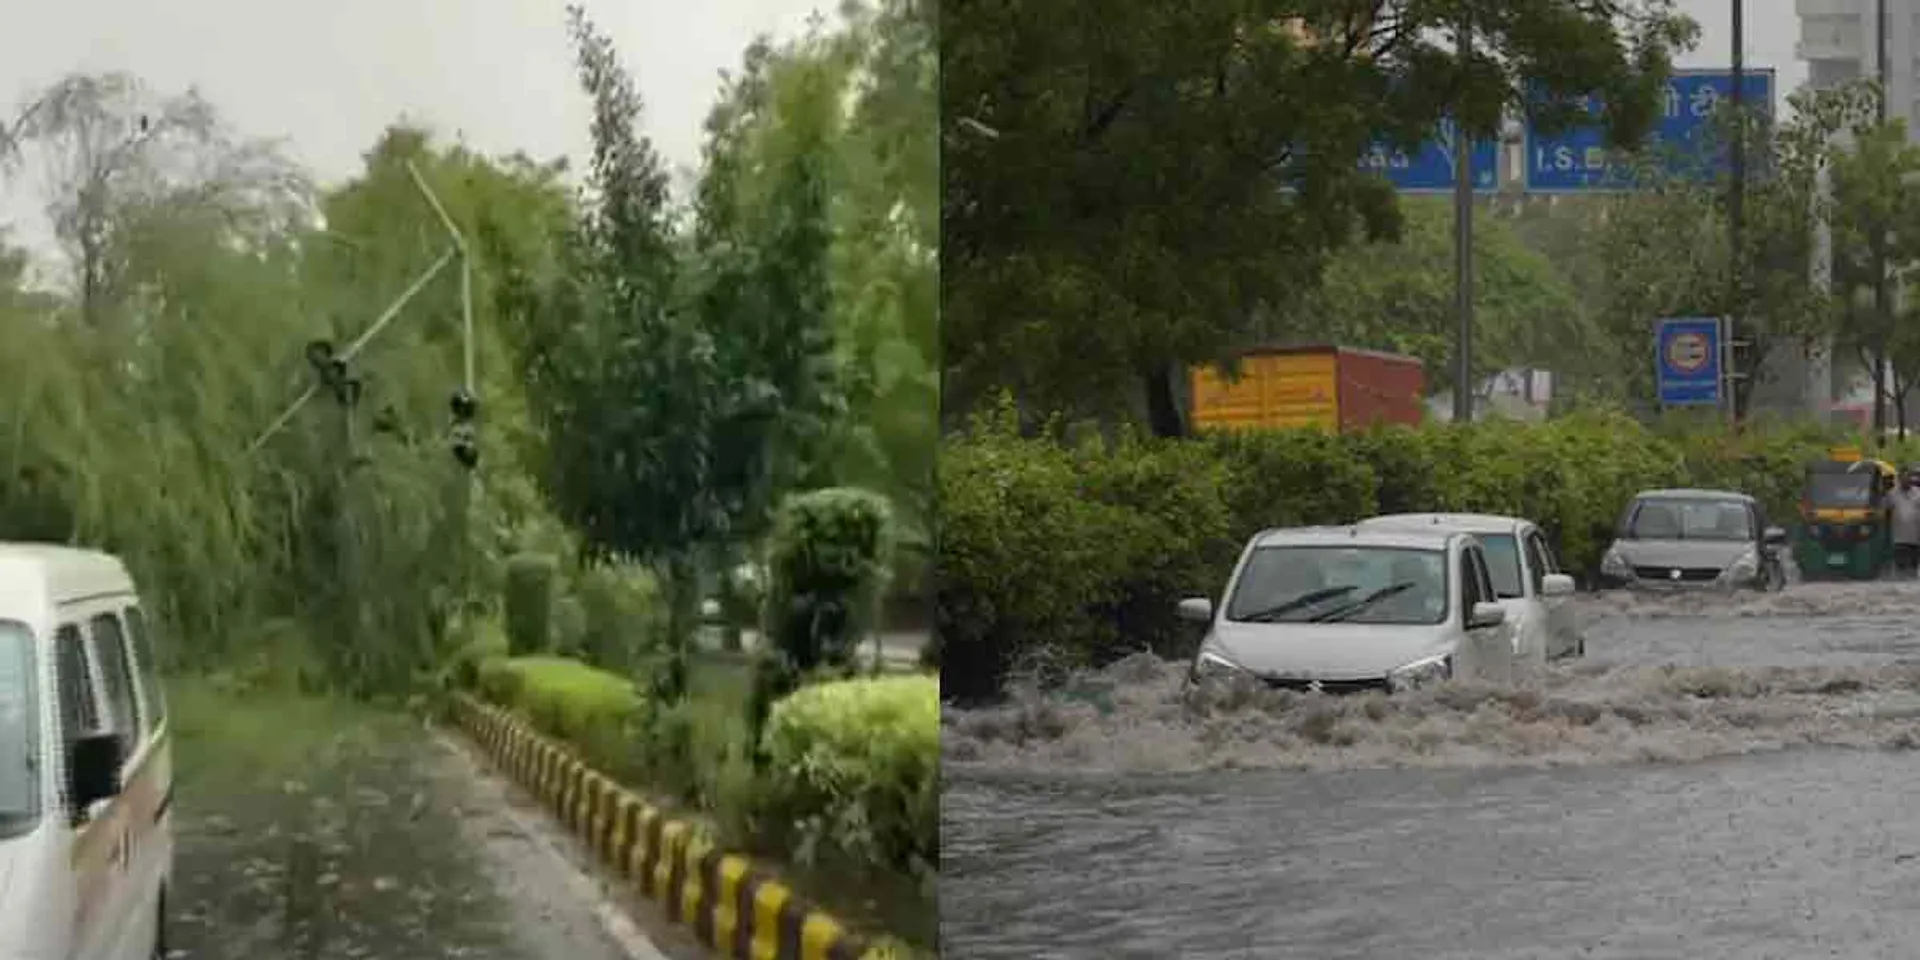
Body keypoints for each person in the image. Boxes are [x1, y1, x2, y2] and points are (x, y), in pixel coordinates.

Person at [1891, 469, 1920, 579]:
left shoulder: (1918, 492)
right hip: (1899, 538)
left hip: (1915, 537)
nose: (1906, 480)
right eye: (1903, 478)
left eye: (1908, 478)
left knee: (1914, 565)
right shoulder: (1892, 494)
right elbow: (1884, 507)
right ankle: (1901, 585)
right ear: (1899, 480)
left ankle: (1911, 587)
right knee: (1901, 566)